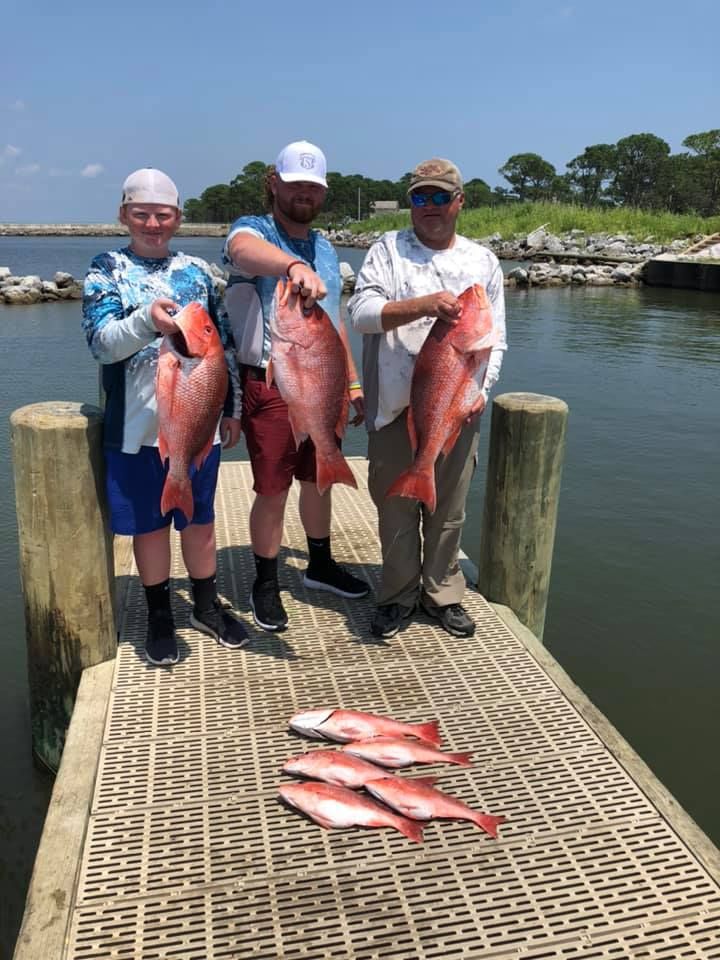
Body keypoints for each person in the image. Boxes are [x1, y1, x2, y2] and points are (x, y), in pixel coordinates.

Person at [82, 167, 247, 665]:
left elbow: (224, 344)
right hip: (136, 430)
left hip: (198, 426)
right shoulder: (105, 267)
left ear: (177, 217)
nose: (152, 224)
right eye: (141, 214)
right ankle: (159, 615)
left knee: (200, 522)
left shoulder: (197, 272)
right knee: (149, 527)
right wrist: (144, 321)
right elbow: (101, 343)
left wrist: (233, 407)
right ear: (123, 215)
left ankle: (204, 605)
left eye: (163, 215)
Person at [348, 158, 507, 640]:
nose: (431, 206)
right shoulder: (388, 250)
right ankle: (397, 595)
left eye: (441, 197)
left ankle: (442, 593)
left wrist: (481, 389)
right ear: (410, 203)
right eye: (421, 197)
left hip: (456, 406)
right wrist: (424, 305)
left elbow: (494, 338)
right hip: (395, 406)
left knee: (448, 510)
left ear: (460, 202)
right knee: (395, 508)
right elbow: (361, 313)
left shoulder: (483, 261)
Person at [222, 139, 368, 633]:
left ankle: (320, 564)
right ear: (274, 183)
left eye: (314, 186)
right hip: (271, 380)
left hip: (320, 376)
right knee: (272, 487)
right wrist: (291, 265)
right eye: (295, 183)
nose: (305, 193)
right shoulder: (254, 230)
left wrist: (351, 383)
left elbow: (332, 323)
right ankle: (265, 580)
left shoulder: (325, 246)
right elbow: (240, 250)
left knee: (319, 474)